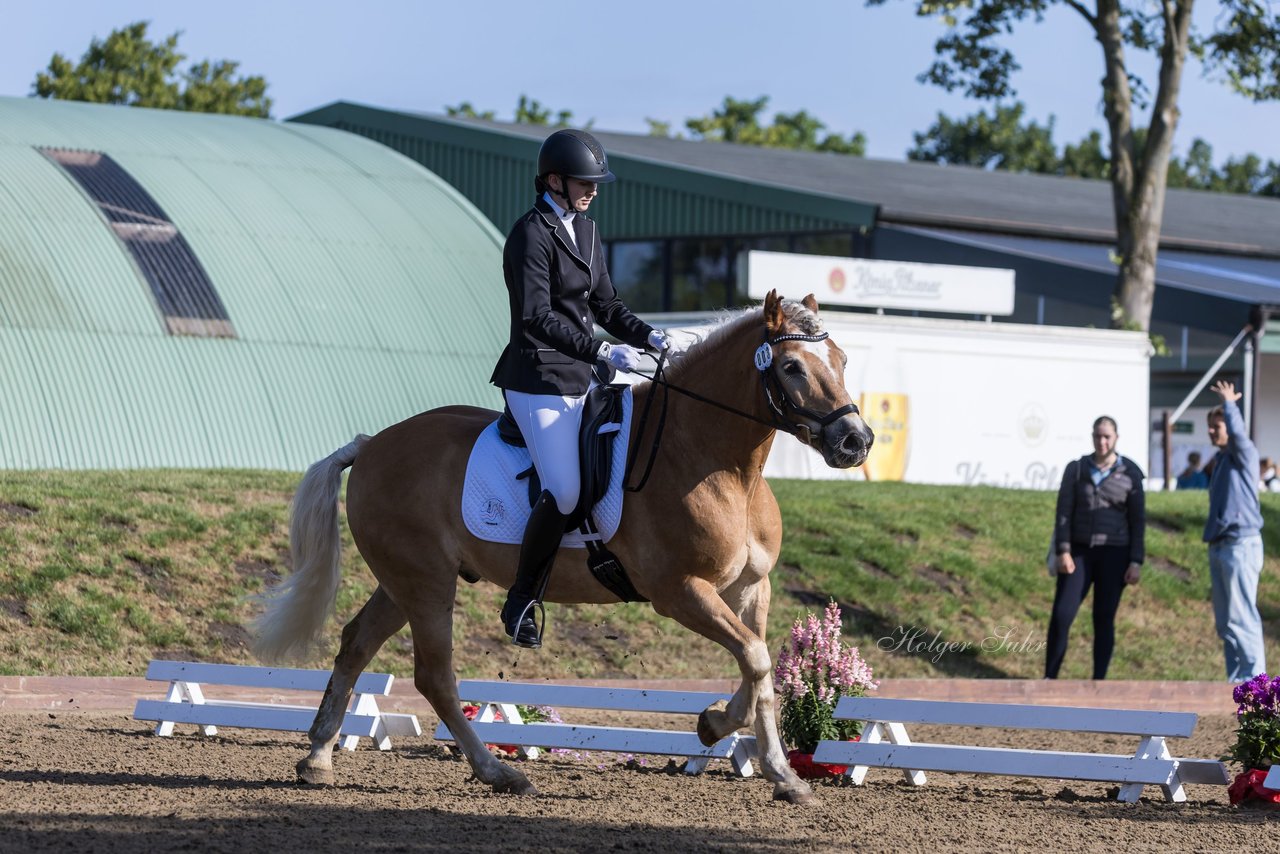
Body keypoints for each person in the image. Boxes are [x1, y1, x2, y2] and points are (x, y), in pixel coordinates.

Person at [490, 128, 674, 649]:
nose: (592, 190)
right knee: (566, 490)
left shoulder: (588, 232)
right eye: (583, 182)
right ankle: (522, 596)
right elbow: (536, 316)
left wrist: (652, 336)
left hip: (583, 377)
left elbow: (607, 307)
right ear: (554, 180)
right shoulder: (530, 233)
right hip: (537, 377)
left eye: (596, 182)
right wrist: (598, 350)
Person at [1046, 415, 1145, 680]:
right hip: (1078, 552)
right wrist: (1062, 550)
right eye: (1097, 436)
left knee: (1103, 617)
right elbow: (1063, 512)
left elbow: (1138, 520)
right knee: (1062, 615)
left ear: (1116, 438)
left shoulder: (1131, 474)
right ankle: (1049, 678)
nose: (1102, 441)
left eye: (1107, 436)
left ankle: (1099, 683)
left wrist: (1136, 560)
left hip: (1115, 553)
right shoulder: (1076, 469)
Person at [1204, 379, 1266, 681]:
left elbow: (1239, 434)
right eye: (1210, 427)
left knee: (1242, 617)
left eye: (1218, 426)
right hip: (1219, 545)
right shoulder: (1220, 461)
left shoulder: (1245, 454)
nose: (1212, 431)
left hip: (1241, 545)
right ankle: (1235, 683)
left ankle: (1257, 683)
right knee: (1226, 623)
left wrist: (1230, 404)